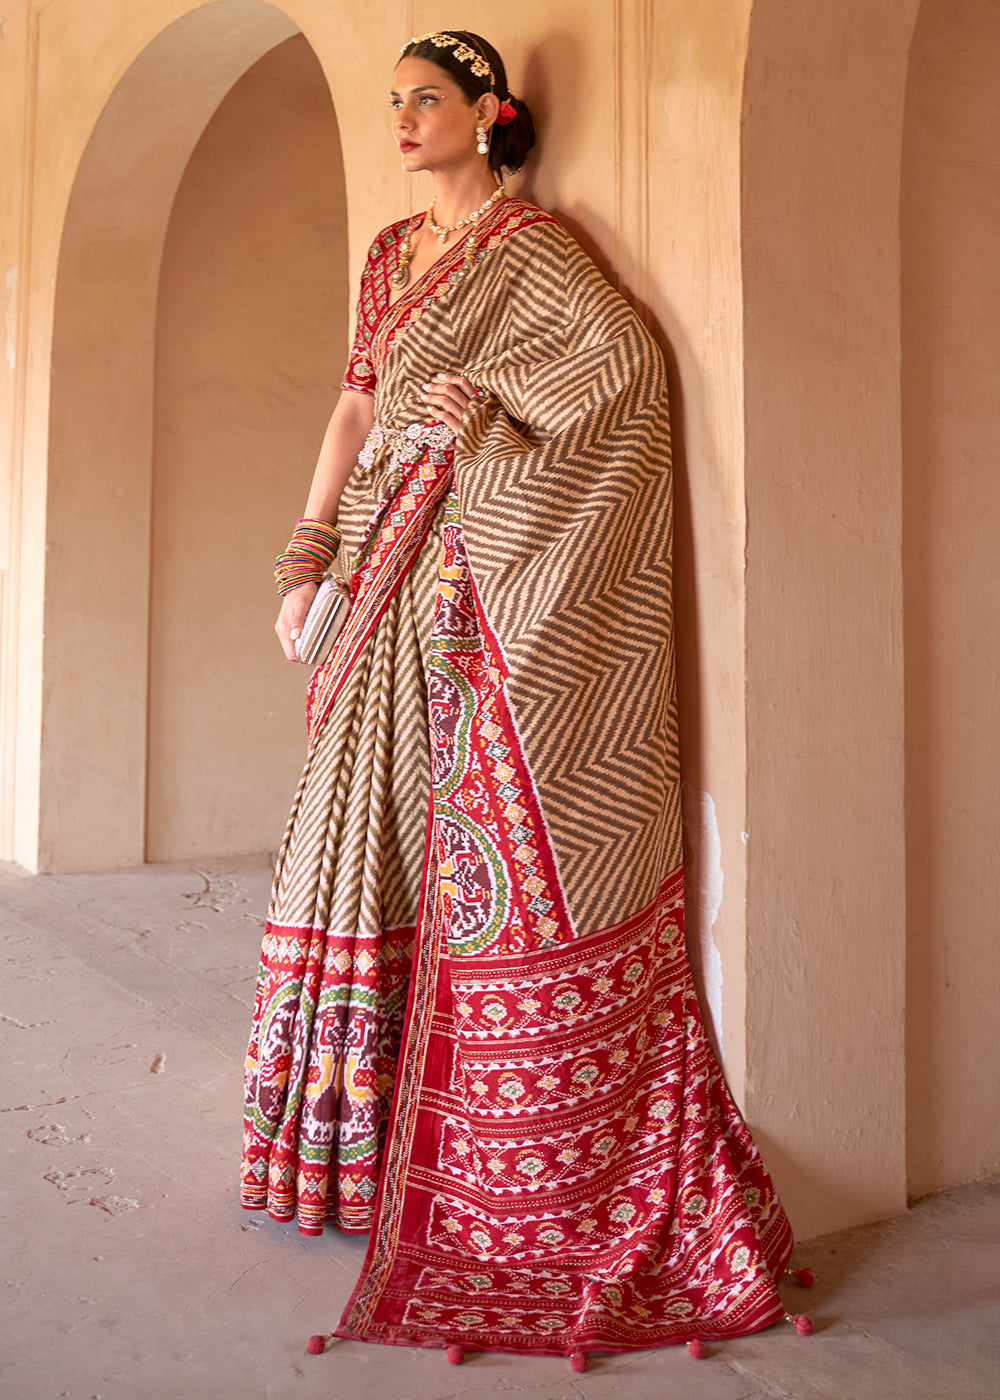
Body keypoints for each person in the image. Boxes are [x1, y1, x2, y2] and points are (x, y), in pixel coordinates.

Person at [242, 30, 800, 1362]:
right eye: (391, 102)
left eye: (423, 100)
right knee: (343, 832)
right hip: (374, 562)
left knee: (441, 834)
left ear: (490, 115)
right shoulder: (391, 256)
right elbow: (353, 407)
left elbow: (622, 378)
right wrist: (306, 550)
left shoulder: (538, 254)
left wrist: (489, 417)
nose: (401, 119)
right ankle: (344, 1146)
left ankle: (465, 1140)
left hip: (464, 577)